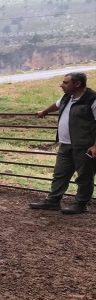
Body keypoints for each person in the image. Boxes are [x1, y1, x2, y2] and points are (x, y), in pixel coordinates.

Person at [30, 72, 96, 214]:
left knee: (84, 176)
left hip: (84, 145)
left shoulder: (92, 99)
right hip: (65, 144)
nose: (62, 84)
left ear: (77, 84)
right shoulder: (68, 97)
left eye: (65, 82)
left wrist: (95, 145)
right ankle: (53, 201)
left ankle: (81, 204)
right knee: (60, 174)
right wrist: (44, 111)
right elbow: (57, 105)